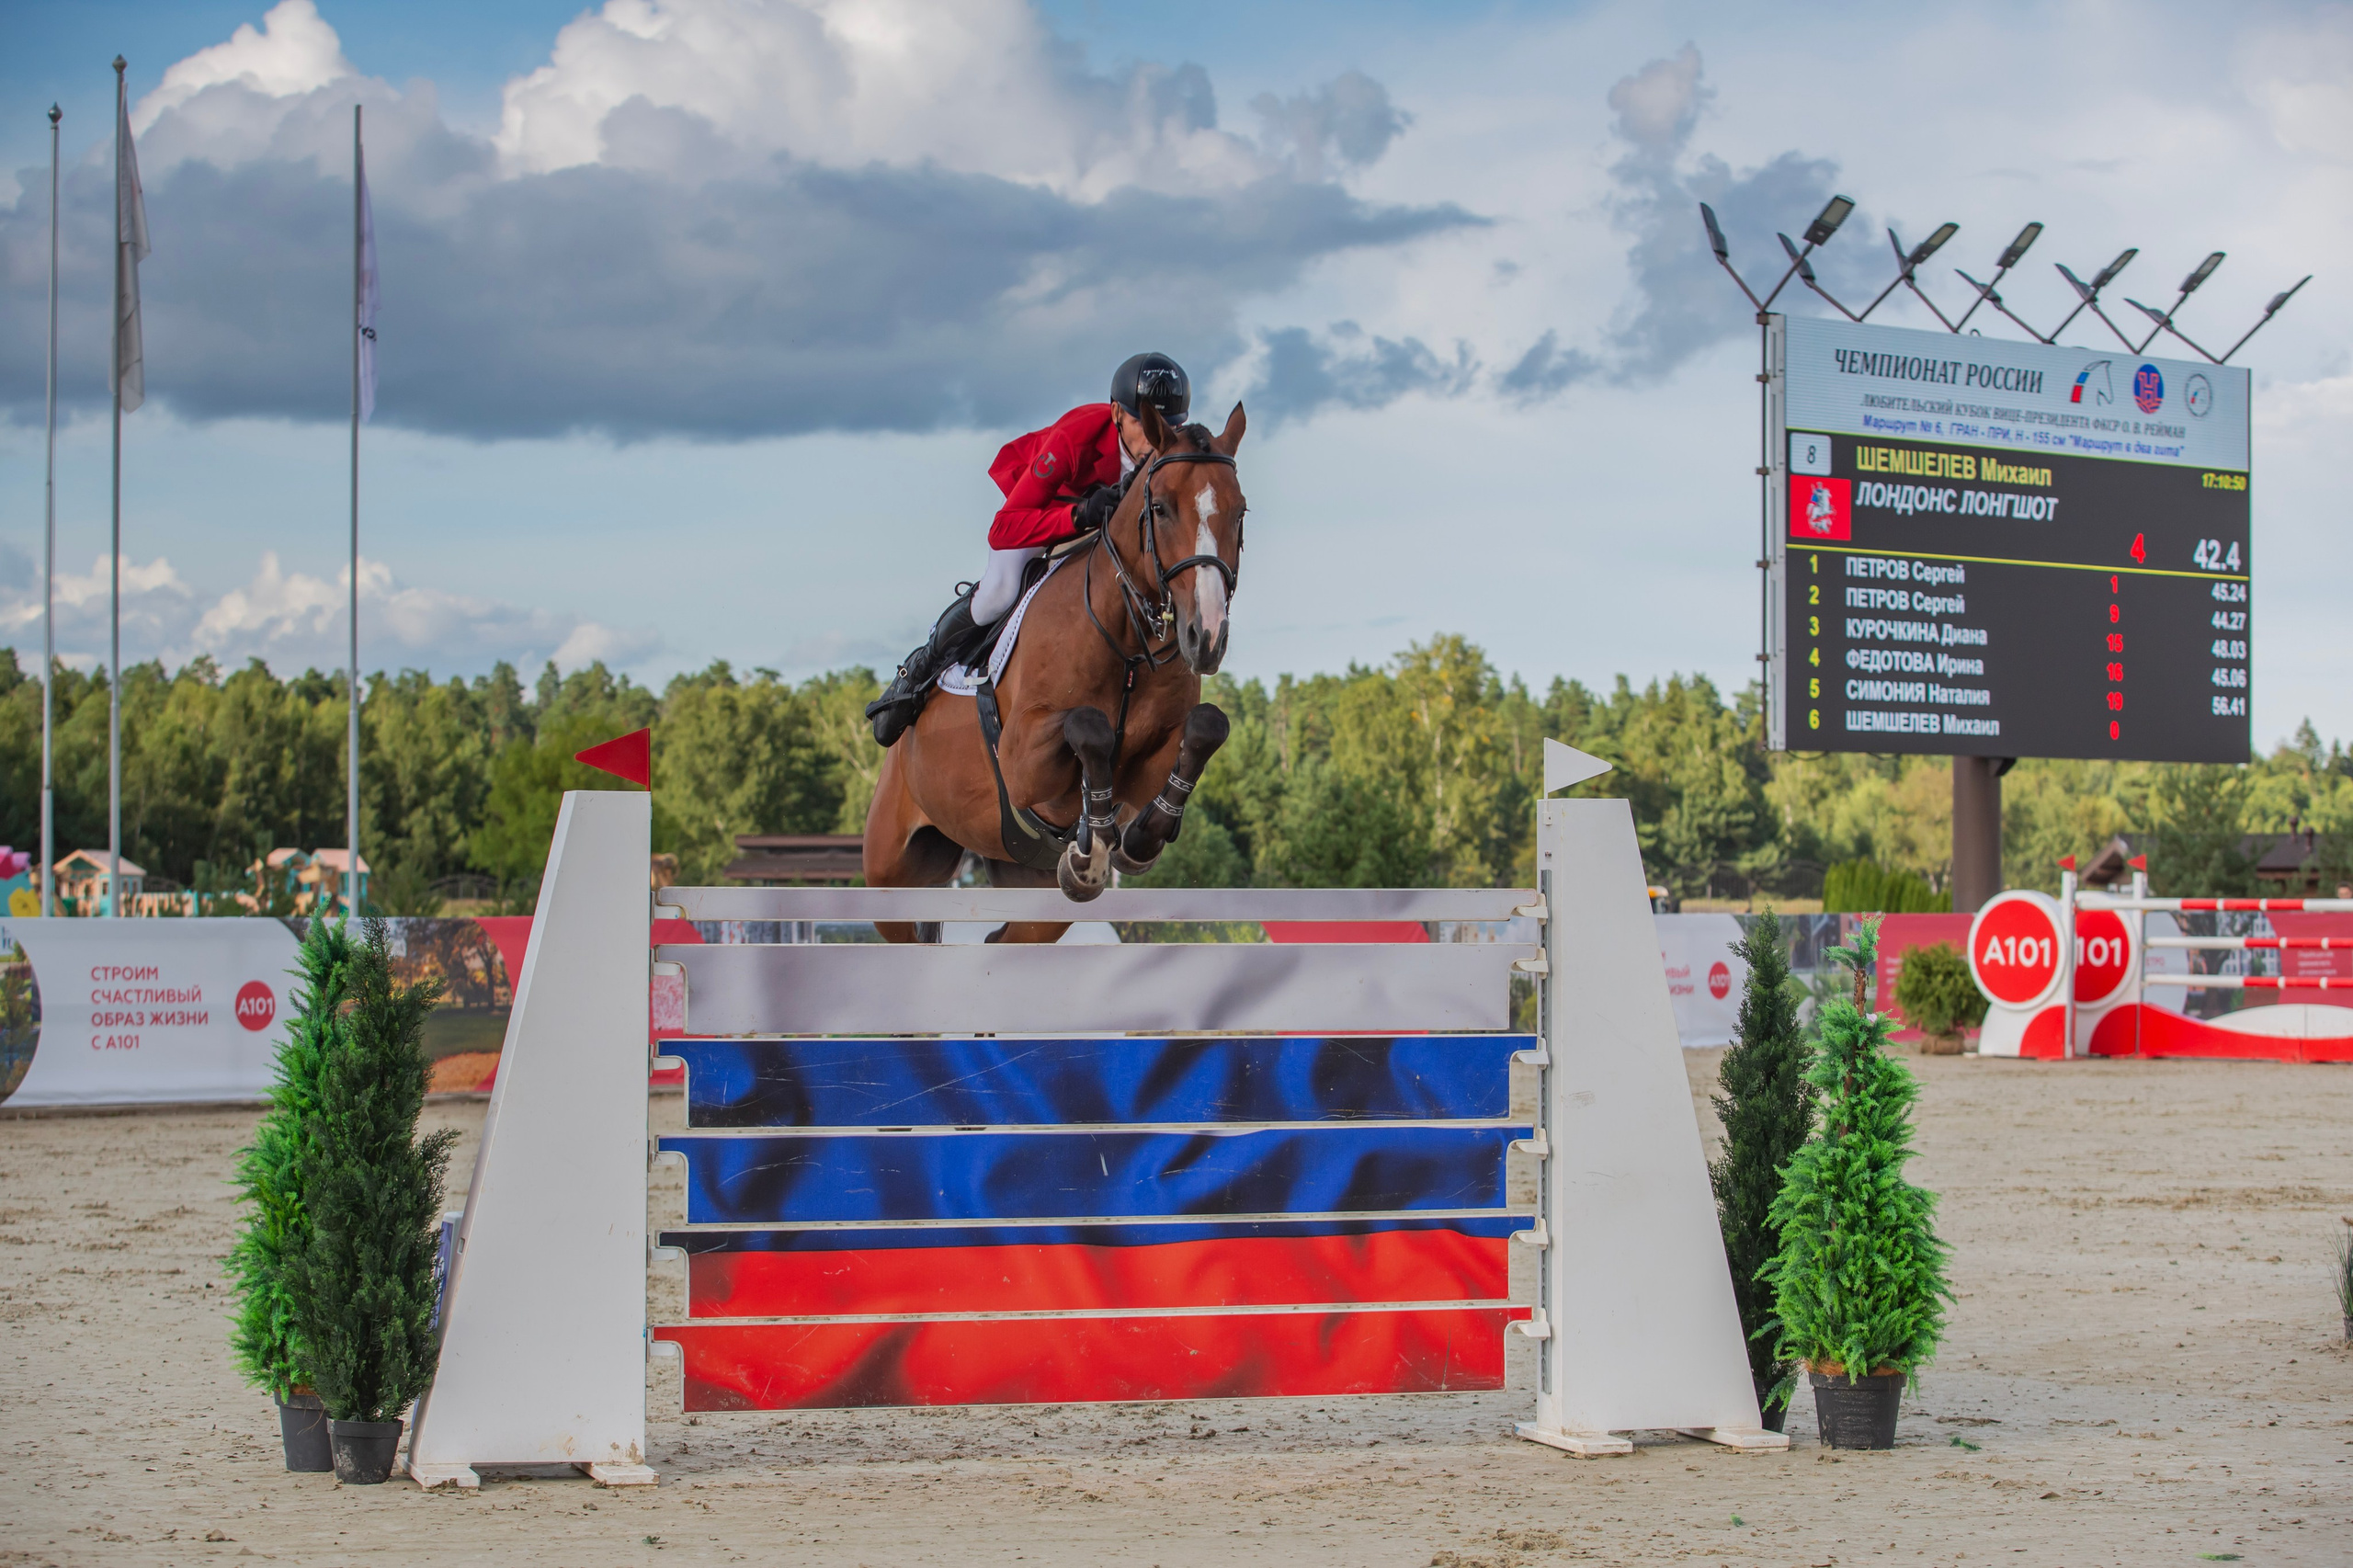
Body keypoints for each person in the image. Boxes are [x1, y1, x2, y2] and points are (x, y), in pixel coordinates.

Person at [866, 352, 1191, 746]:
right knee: (998, 593)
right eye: (1143, 423)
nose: (1155, 439)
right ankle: (917, 672)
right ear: (1116, 414)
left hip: (1098, 529)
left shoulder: (1172, 456)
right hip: (1039, 512)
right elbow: (1004, 529)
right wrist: (1078, 514)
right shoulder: (1078, 436)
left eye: (1170, 426)